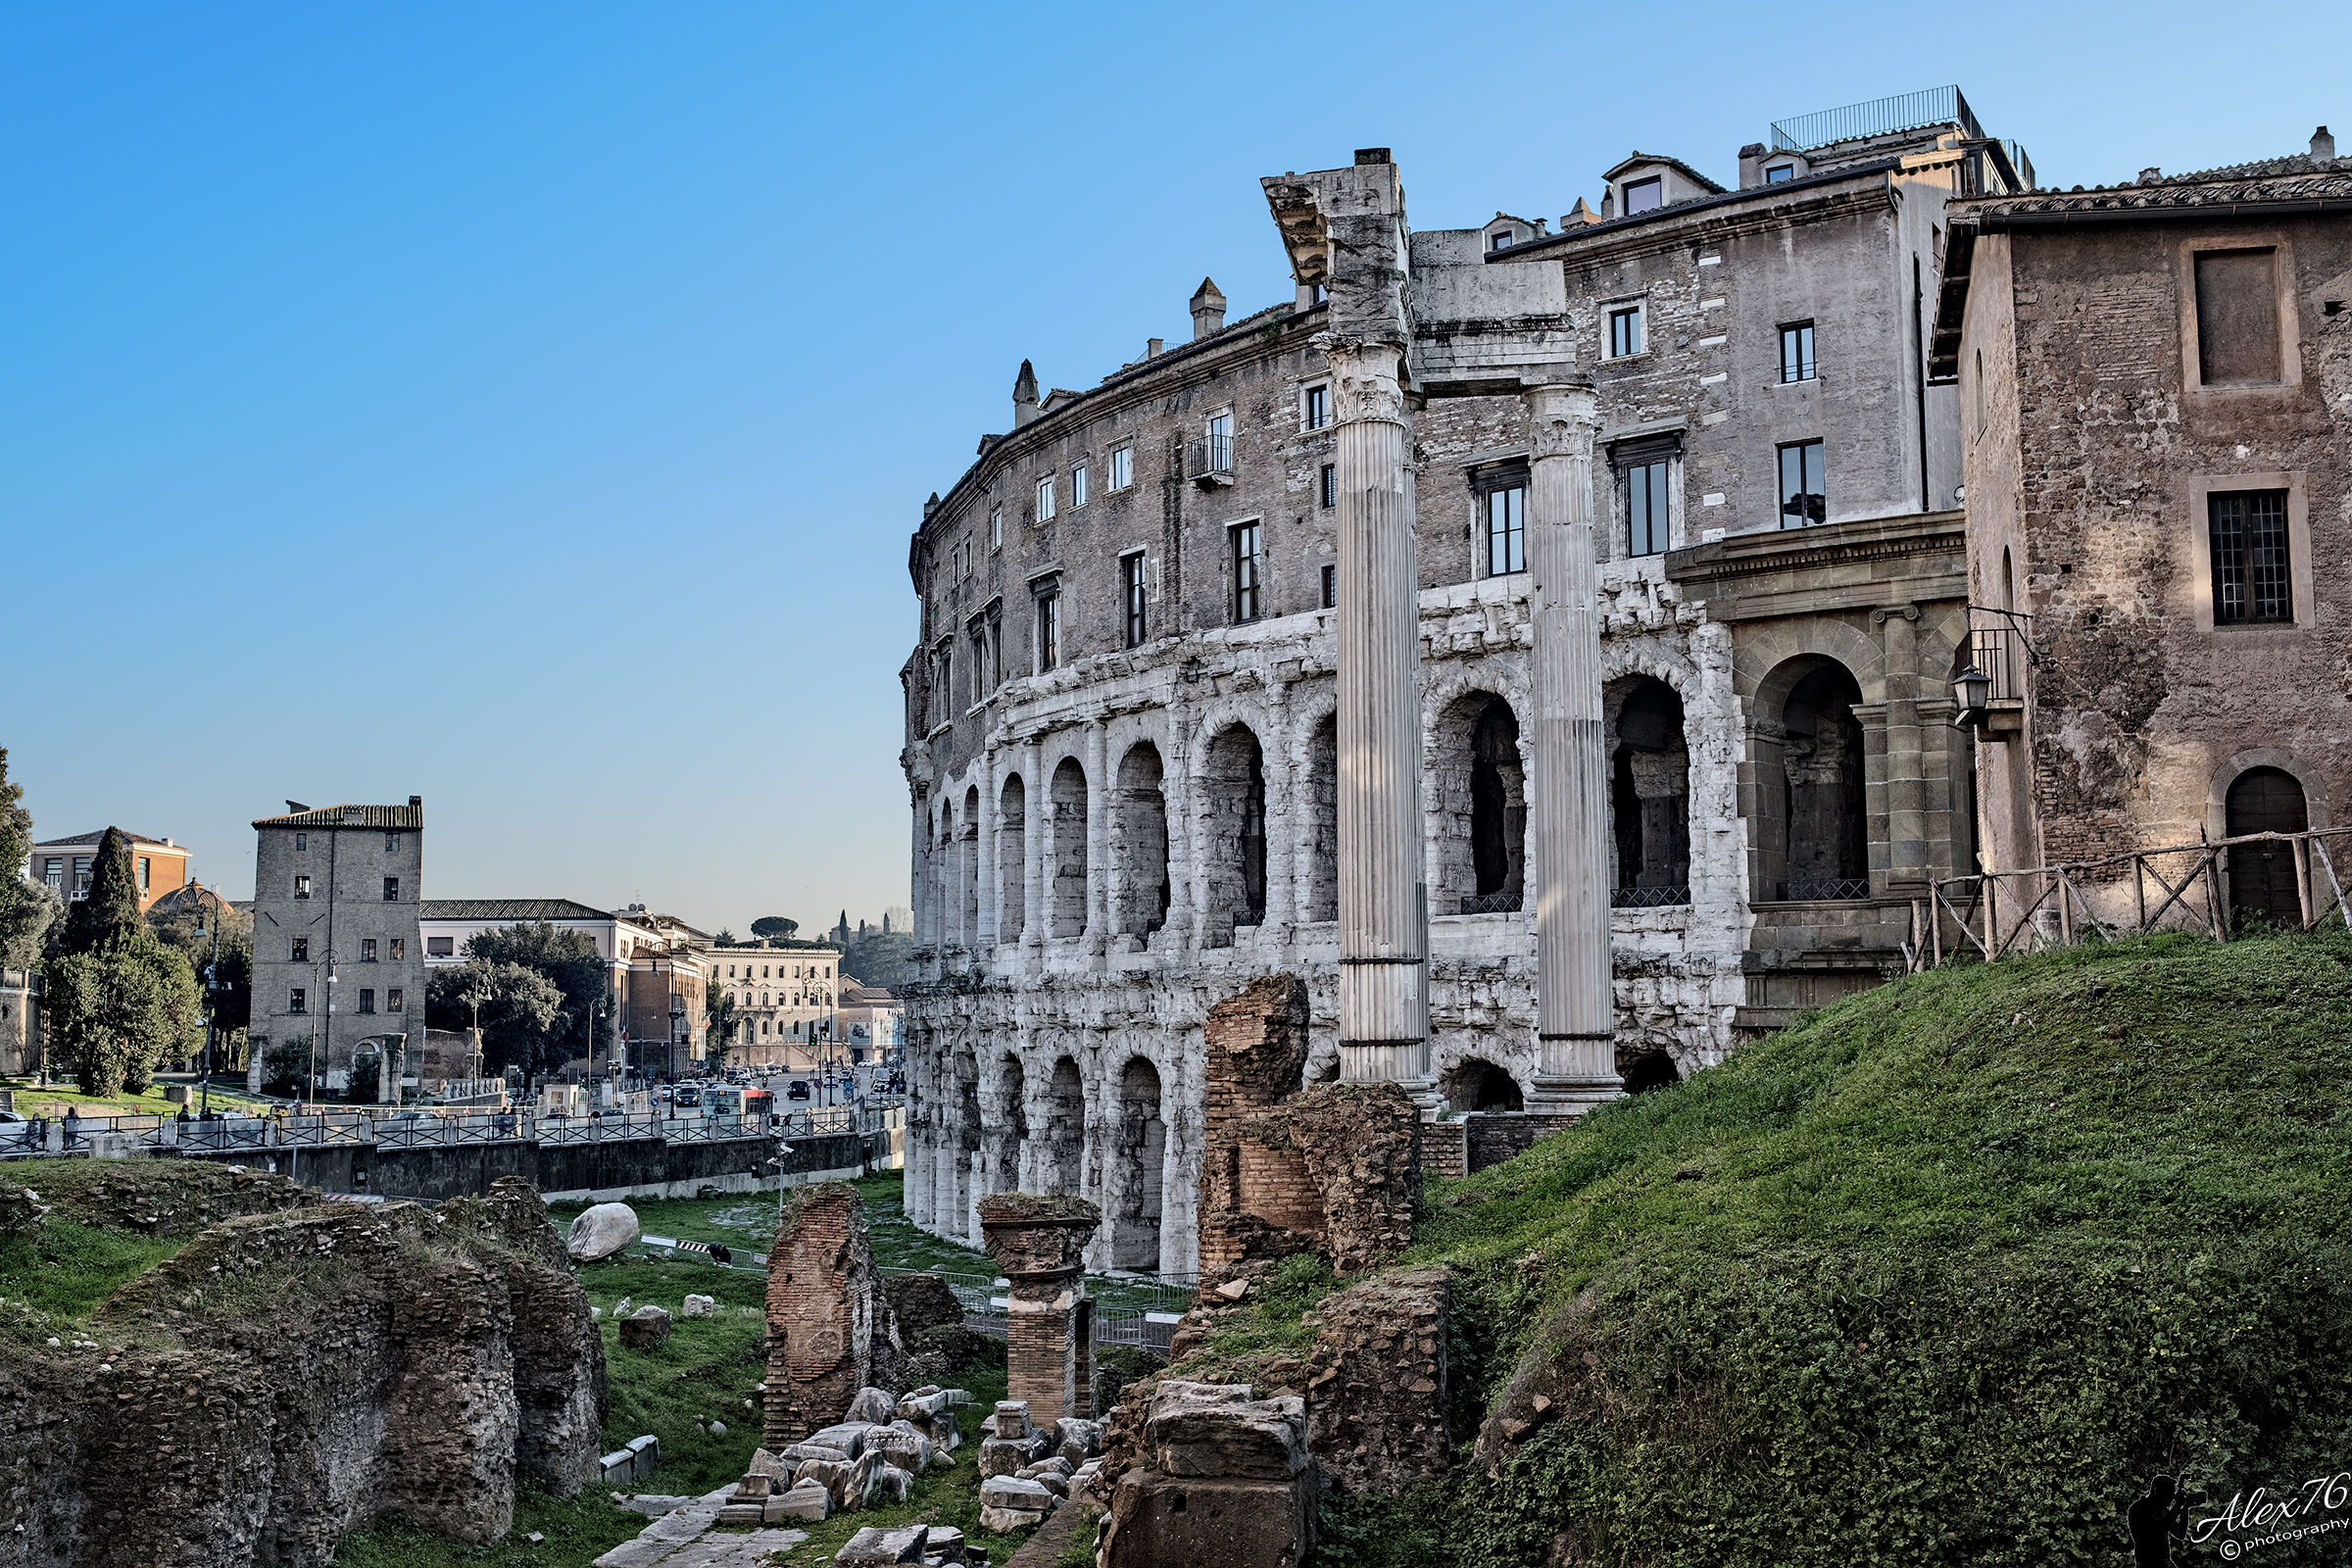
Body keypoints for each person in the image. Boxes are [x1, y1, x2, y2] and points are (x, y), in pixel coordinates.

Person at [2126, 1475, 2192, 1568]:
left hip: (2164, 1561)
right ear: (2156, 1491)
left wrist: (2185, 1508)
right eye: (2169, 1494)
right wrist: (2178, 1506)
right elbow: (2158, 1529)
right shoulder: (2139, 1508)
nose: (2172, 1497)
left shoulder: (2162, 1510)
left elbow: (2180, 1534)